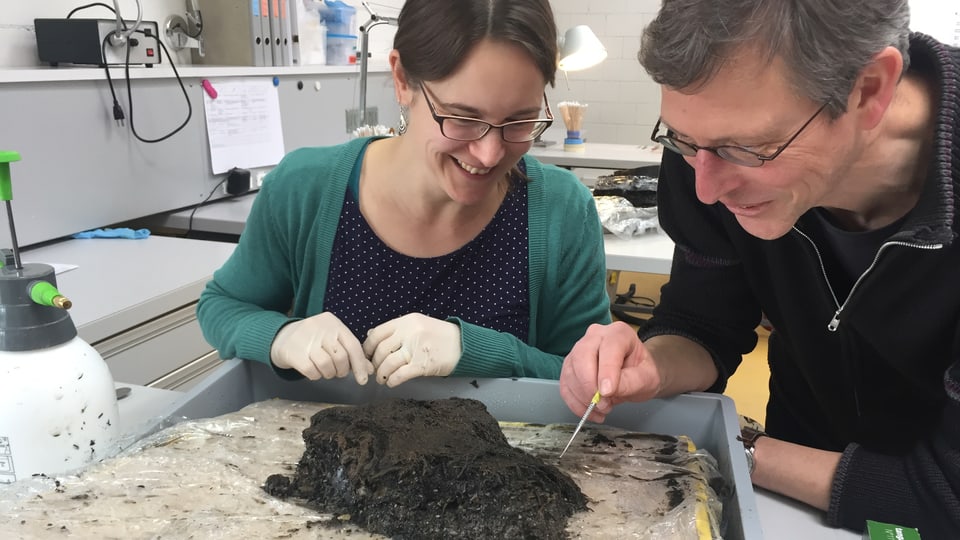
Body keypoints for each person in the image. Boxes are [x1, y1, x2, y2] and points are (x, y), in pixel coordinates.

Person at [559, 0, 960, 535]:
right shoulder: (705, 156)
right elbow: (704, 323)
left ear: (868, 90)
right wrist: (650, 366)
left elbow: (946, 493)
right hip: (790, 491)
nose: (706, 187)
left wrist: (737, 451)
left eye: (747, 148)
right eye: (680, 139)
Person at [196, 0, 611, 388]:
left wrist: (476, 351)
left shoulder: (561, 210)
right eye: (462, 118)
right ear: (401, 80)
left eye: (520, 121)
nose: (489, 153)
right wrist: (281, 336)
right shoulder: (305, 187)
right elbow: (223, 306)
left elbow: (587, 381)